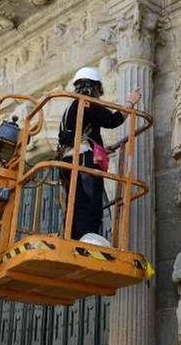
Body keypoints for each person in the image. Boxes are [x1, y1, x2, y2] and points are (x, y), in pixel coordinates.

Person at [58, 67, 141, 246]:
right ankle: (88, 239)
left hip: (67, 160)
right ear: (95, 87)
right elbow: (113, 121)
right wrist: (130, 103)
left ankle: (72, 239)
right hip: (83, 161)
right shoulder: (88, 102)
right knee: (90, 200)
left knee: (75, 200)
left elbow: (76, 135)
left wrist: (102, 148)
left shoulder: (71, 107)